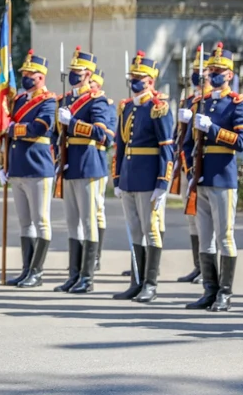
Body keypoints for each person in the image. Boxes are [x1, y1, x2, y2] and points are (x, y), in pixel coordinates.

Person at [181, 42, 243, 311]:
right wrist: (190, 172)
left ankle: (225, 293)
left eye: (219, 70)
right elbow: (187, 144)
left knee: (225, 236)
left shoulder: (237, 104)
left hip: (223, 176)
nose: (213, 74)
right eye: (211, 70)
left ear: (230, 75)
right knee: (205, 236)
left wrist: (213, 129)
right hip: (201, 177)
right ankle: (209, 290)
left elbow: (242, 141)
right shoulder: (201, 102)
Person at [112, 51, 173, 303]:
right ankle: (136, 281)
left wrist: (163, 182)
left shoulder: (158, 108)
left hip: (149, 178)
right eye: (132, 77)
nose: (134, 81)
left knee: (151, 230)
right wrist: (117, 178)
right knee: (134, 231)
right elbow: (120, 145)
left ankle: (150, 283)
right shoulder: (126, 107)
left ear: (150, 80)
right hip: (128, 177)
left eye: (139, 77)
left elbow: (166, 147)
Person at [54, 47, 109, 294]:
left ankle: (87, 277)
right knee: (73, 222)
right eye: (72, 71)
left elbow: (102, 134)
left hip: (88, 164)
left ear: (88, 74)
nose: (74, 75)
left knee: (88, 222)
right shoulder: (66, 101)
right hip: (70, 165)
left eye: (78, 71)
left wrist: (73, 123)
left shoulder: (97, 100)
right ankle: (74, 274)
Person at [0, 50, 55, 288]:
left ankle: (37, 271)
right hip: (19, 167)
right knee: (24, 222)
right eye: (23, 73)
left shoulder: (49, 100)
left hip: (38, 166)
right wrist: (6, 165)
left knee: (41, 220)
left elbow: (40, 127)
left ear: (40, 76)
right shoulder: (20, 100)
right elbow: (8, 127)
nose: (25, 77)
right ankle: (26, 269)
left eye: (29, 73)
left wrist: (14, 129)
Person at [176, 46, 211, 285]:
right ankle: (198, 266)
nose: (196, 75)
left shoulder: (209, 101)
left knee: (207, 219)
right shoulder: (188, 100)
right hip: (186, 166)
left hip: (205, 166)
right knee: (191, 216)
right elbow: (179, 137)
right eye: (193, 70)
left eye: (201, 70)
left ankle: (209, 268)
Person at [89, 69, 115, 271]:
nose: (89, 88)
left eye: (92, 85)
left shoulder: (106, 105)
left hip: (96, 161)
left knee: (97, 210)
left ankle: (95, 255)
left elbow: (108, 138)